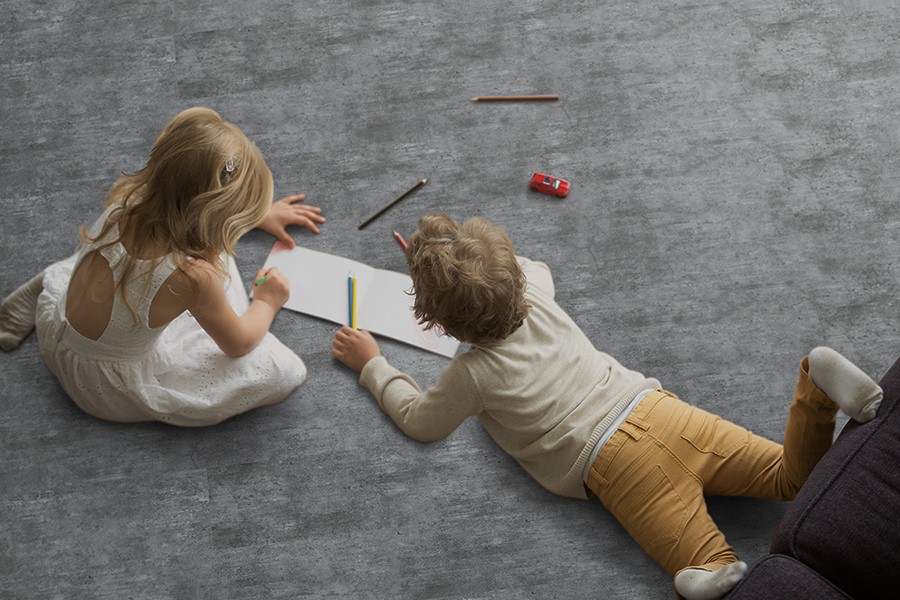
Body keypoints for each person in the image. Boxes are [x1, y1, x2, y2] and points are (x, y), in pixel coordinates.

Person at [331, 212, 883, 600]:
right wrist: (455, 260)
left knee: (700, 556)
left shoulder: (471, 373)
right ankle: (814, 385)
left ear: (436, 320)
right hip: (660, 409)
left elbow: (421, 422)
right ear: (513, 276)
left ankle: (706, 567)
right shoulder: (537, 291)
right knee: (791, 478)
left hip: (611, 462)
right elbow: (522, 267)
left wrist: (374, 366)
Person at [0, 107, 326, 426]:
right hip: (99, 384)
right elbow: (238, 343)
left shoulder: (128, 201)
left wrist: (254, 215)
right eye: (235, 218)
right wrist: (267, 301)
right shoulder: (193, 277)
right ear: (217, 217)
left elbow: (188, 202)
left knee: (111, 269)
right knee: (282, 369)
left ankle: (36, 296)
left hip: (59, 329)